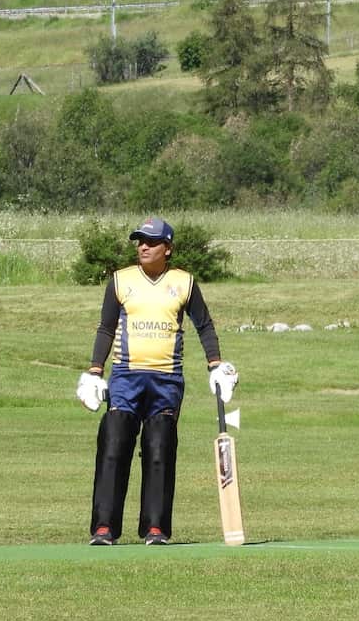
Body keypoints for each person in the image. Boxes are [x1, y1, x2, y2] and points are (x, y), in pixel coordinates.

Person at [76, 216, 239, 545]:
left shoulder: (184, 282)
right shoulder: (121, 281)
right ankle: (104, 528)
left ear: (168, 248)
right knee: (114, 446)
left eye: (151, 242)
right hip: (125, 376)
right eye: (140, 241)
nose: (143, 247)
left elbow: (204, 326)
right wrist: (95, 370)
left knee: (159, 450)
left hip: (166, 380)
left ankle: (155, 528)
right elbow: (106, 328)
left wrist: (216, 365)